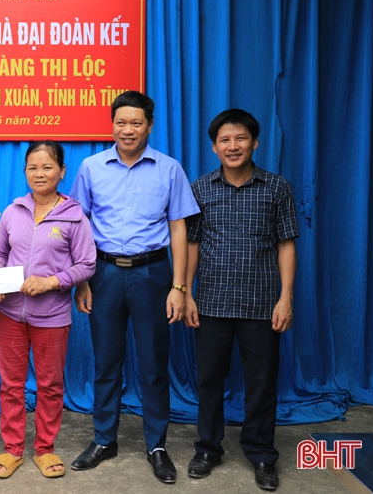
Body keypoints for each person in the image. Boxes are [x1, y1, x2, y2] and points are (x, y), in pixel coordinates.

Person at [69, 91, 200, 483]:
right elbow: (79, 225)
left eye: (136, 123)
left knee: (154, 365)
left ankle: (156, 445)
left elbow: (179, 228)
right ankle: (104, 439)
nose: (128, 130)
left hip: (152, 275)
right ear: (112, 124)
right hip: (104, 274)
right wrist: (82, 280)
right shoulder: (91, 168)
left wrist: (179, 286)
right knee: (105, 362)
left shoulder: (169, 169)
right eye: (121, 122)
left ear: (149, 126)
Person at [184, 109, 298, 491]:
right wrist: (187, 293)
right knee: (208, 380)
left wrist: (286, 297)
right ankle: (207, 449)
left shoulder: (276, 188)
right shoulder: (201, 188)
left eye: (241, 138)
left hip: (262, 304)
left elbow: (286, 244)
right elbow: (192, 244)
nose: (233, 146)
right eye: (225, 140)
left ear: (255, 142)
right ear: (214, 147)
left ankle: (262, 454)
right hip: (211, 302)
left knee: (261, 383)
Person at [0, 141, 96, 479]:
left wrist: (51, 282)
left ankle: (45, 448)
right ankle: (12, 448)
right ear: (25, 172)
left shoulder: (74, 216)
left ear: (62, 171)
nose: (39, 174)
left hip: (52, 318)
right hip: (10, 314)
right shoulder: (13, 212)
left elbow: (87, 264)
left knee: (49, 385)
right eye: (32, 167)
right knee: (11, 384)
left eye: (47, 167)